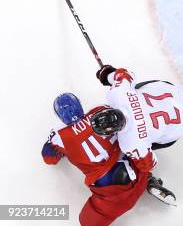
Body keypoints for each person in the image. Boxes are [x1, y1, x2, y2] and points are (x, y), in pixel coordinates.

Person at [89, 64, 183, 201]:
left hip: (182, 123)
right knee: (139, 88)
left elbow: (149, 164)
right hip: (171, 93)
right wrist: (108, 75)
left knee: (139, 150)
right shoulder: (117, 95)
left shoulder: (129, 143)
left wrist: (144, 143)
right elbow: (126, 74)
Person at [42, 92, 172, 225]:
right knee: (132, 146)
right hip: (138, 168)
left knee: (86, 222)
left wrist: (65, 150)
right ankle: (148, 180)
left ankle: (145, 181)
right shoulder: (100, 110)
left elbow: (49, 159)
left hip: (112, 192)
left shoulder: (59, 136)